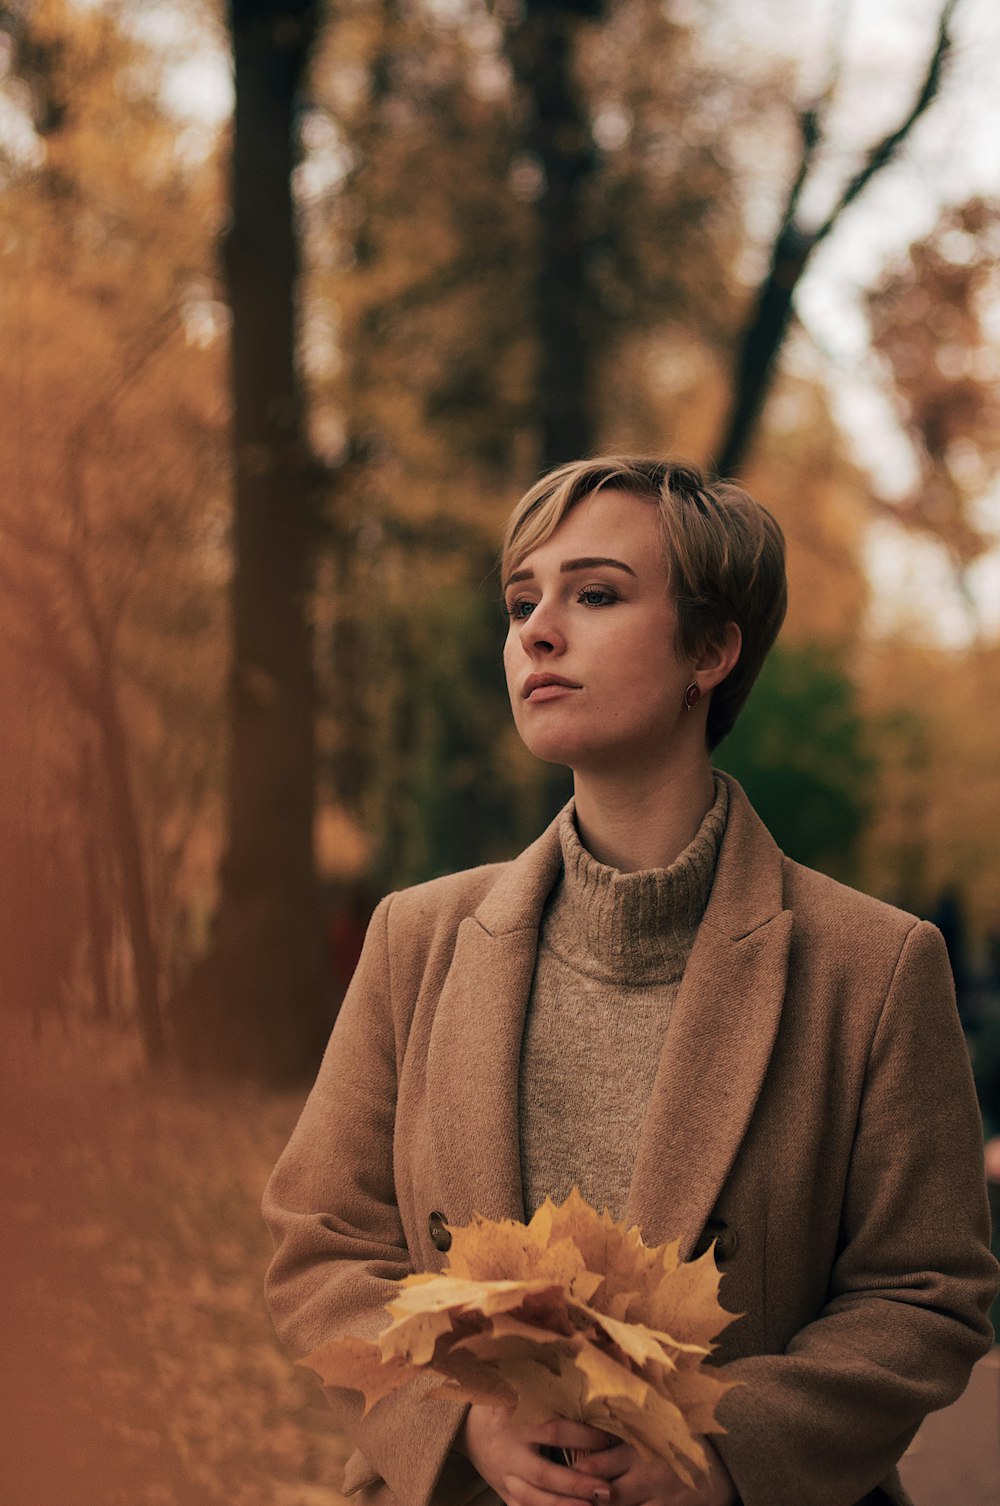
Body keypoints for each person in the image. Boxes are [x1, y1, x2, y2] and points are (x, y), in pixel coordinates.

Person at [262, 457, 999, 1506]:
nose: (537, 631)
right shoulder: (413, 939)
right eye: (522, 602)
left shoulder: (871, 966)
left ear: (711, 648)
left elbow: (925, 1295)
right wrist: (454, 1426)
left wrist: (716, 1447)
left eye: (594, 594)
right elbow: (319, 1244)